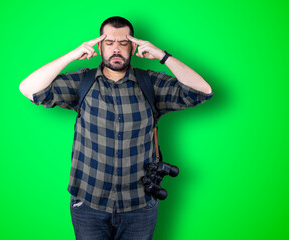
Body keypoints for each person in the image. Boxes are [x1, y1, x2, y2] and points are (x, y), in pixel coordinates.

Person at [19, 16, 212, 240]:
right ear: (100, 47)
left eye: (123, 43)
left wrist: (162, 55)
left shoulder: (151, 83)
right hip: (88, 204)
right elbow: (29, 88)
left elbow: (202, 91)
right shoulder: (83, 81)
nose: (116, 49)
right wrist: (72, 55)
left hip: (140, 206)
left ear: (132, 47)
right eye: (109, 43)